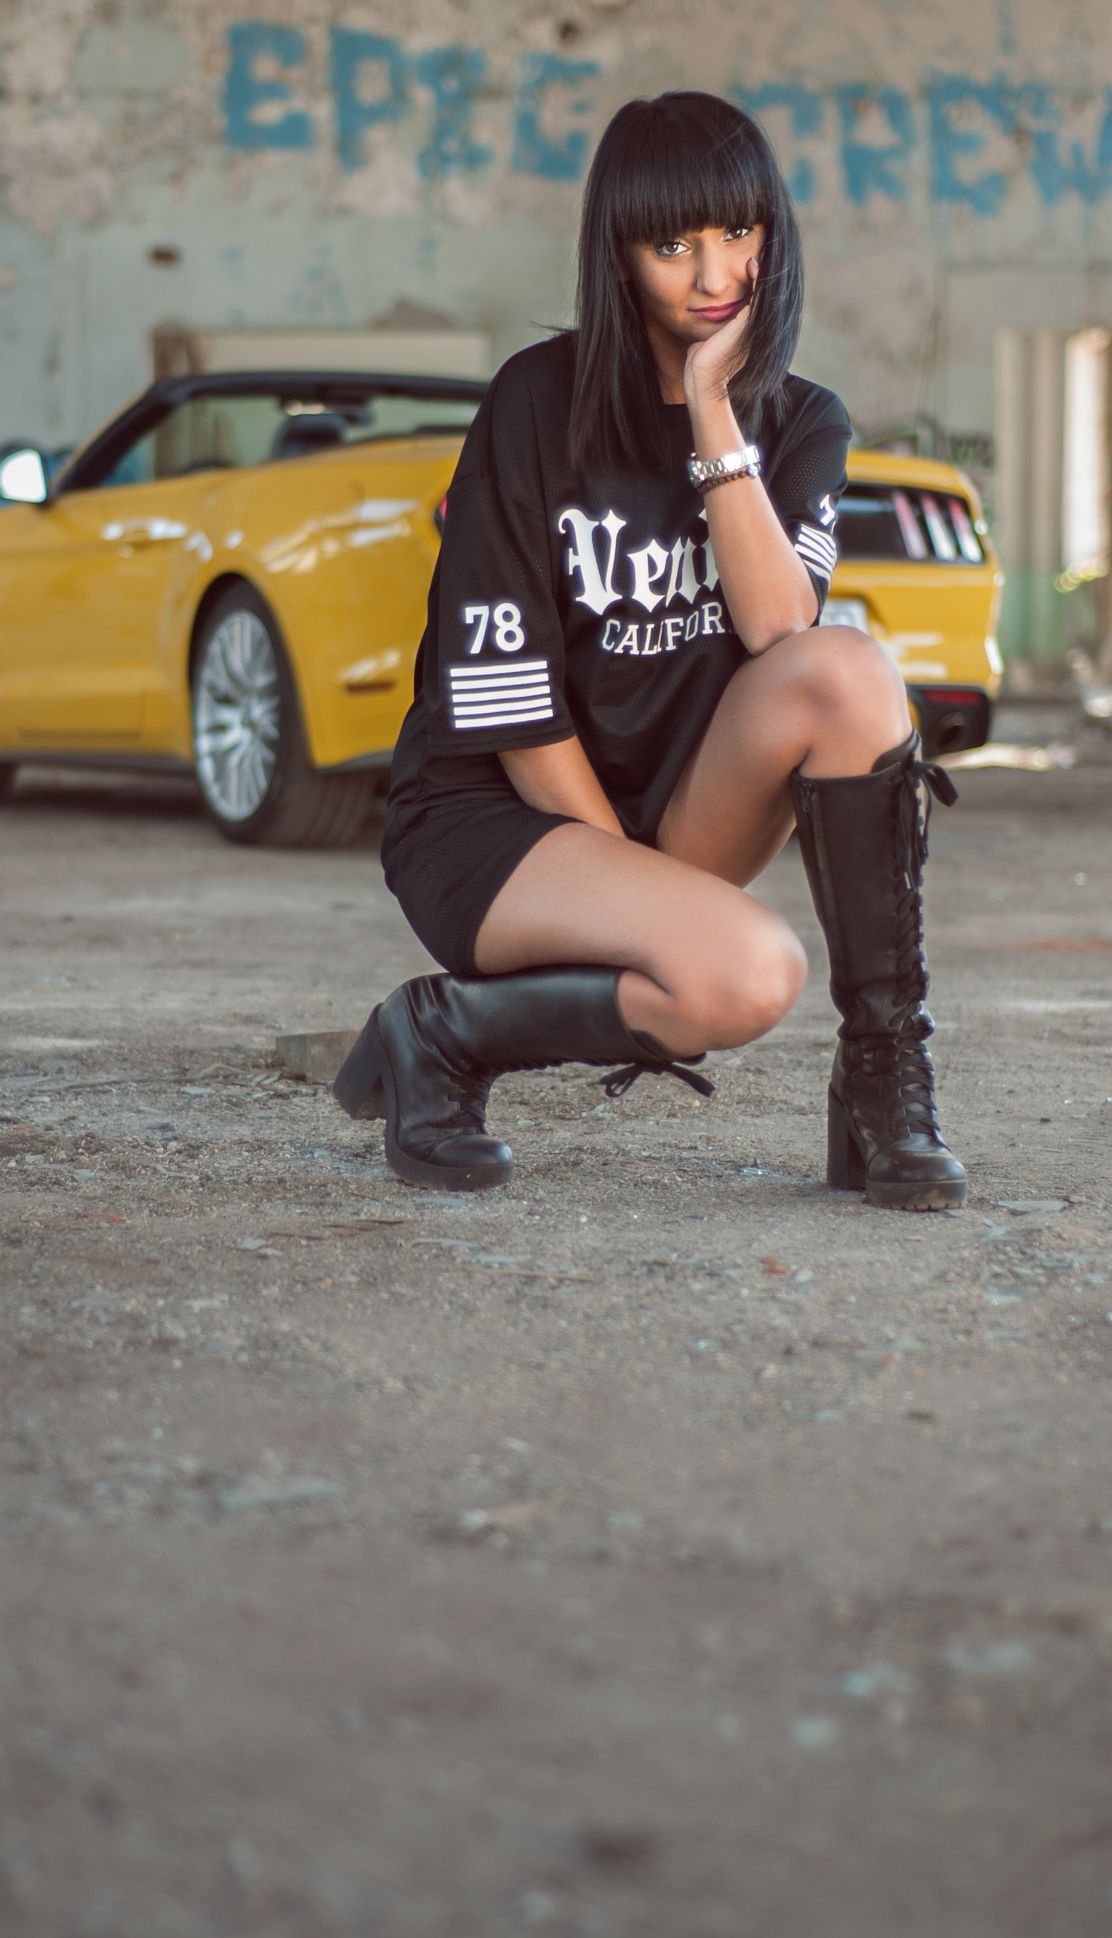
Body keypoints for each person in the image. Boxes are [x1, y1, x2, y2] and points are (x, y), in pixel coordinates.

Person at [334, 90, 965, 1211]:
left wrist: (714, 412)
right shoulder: (537, 402)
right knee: (749, 973)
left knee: (850, 669)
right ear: (619, 256)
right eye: (672, 243)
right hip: (496, 817)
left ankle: (885, 1073)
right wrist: (632, 893)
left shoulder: (803, 421)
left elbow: (780, 635)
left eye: (736, 232)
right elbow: (512, 699)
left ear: (773, 231)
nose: (712, 271)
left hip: (673, 808)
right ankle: (437, 1032)